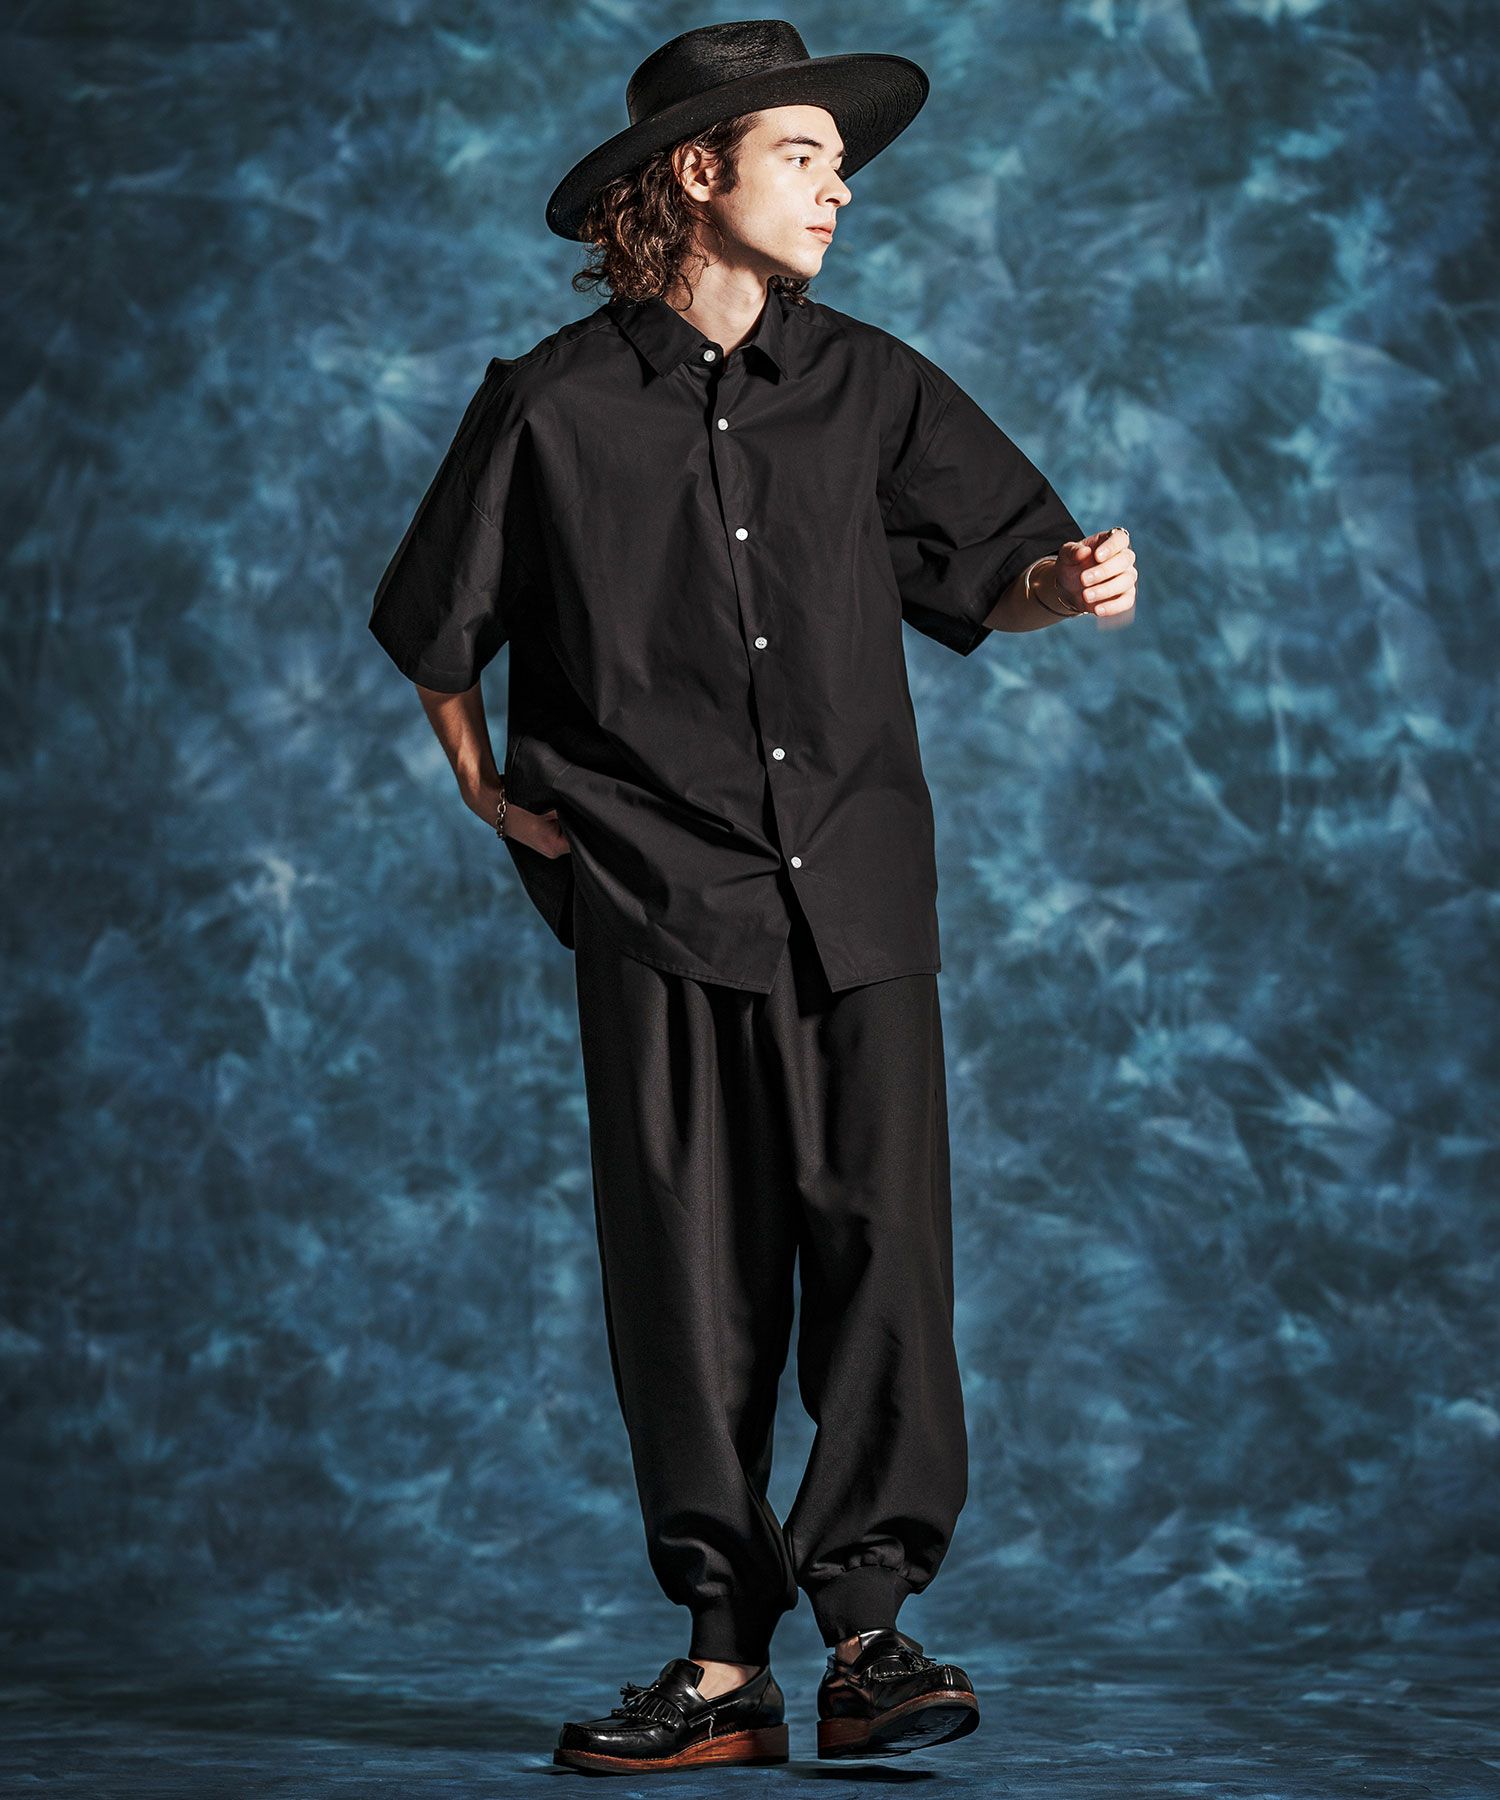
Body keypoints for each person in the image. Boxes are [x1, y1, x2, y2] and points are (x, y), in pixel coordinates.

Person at [367, 16, 1138, 1775]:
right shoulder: (551, 404)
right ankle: (723, 1669)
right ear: (699, 171)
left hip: (858, 895)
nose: (839, 189)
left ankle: (870, 1640)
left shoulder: (872, 384)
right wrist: (487, 788)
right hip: (654, 899)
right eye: (805, 156)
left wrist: (1067, 583)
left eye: (840, 164)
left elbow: (998, 568)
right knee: (690, 1279)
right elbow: (435, 624)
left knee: (885, 1261)